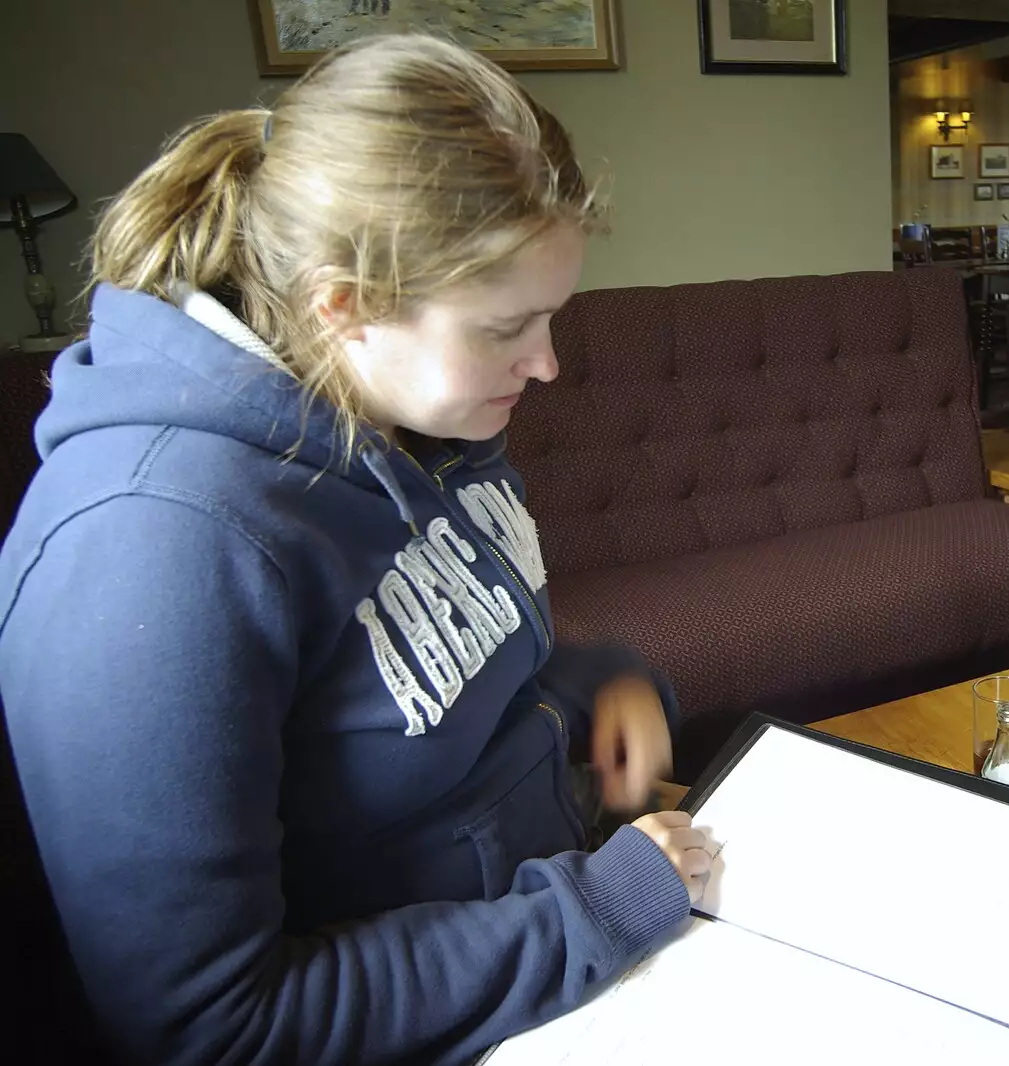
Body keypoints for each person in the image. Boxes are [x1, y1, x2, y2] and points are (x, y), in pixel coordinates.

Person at [0, 34, 711, 1066]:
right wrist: (593, 911)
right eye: (507, 325)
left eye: (554, 316)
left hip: (560, 946)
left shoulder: (414, 415)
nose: (546, 362)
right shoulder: (149, 543)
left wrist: (595, 687)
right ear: (344, 305)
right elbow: (208, 1027)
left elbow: (425, 682)